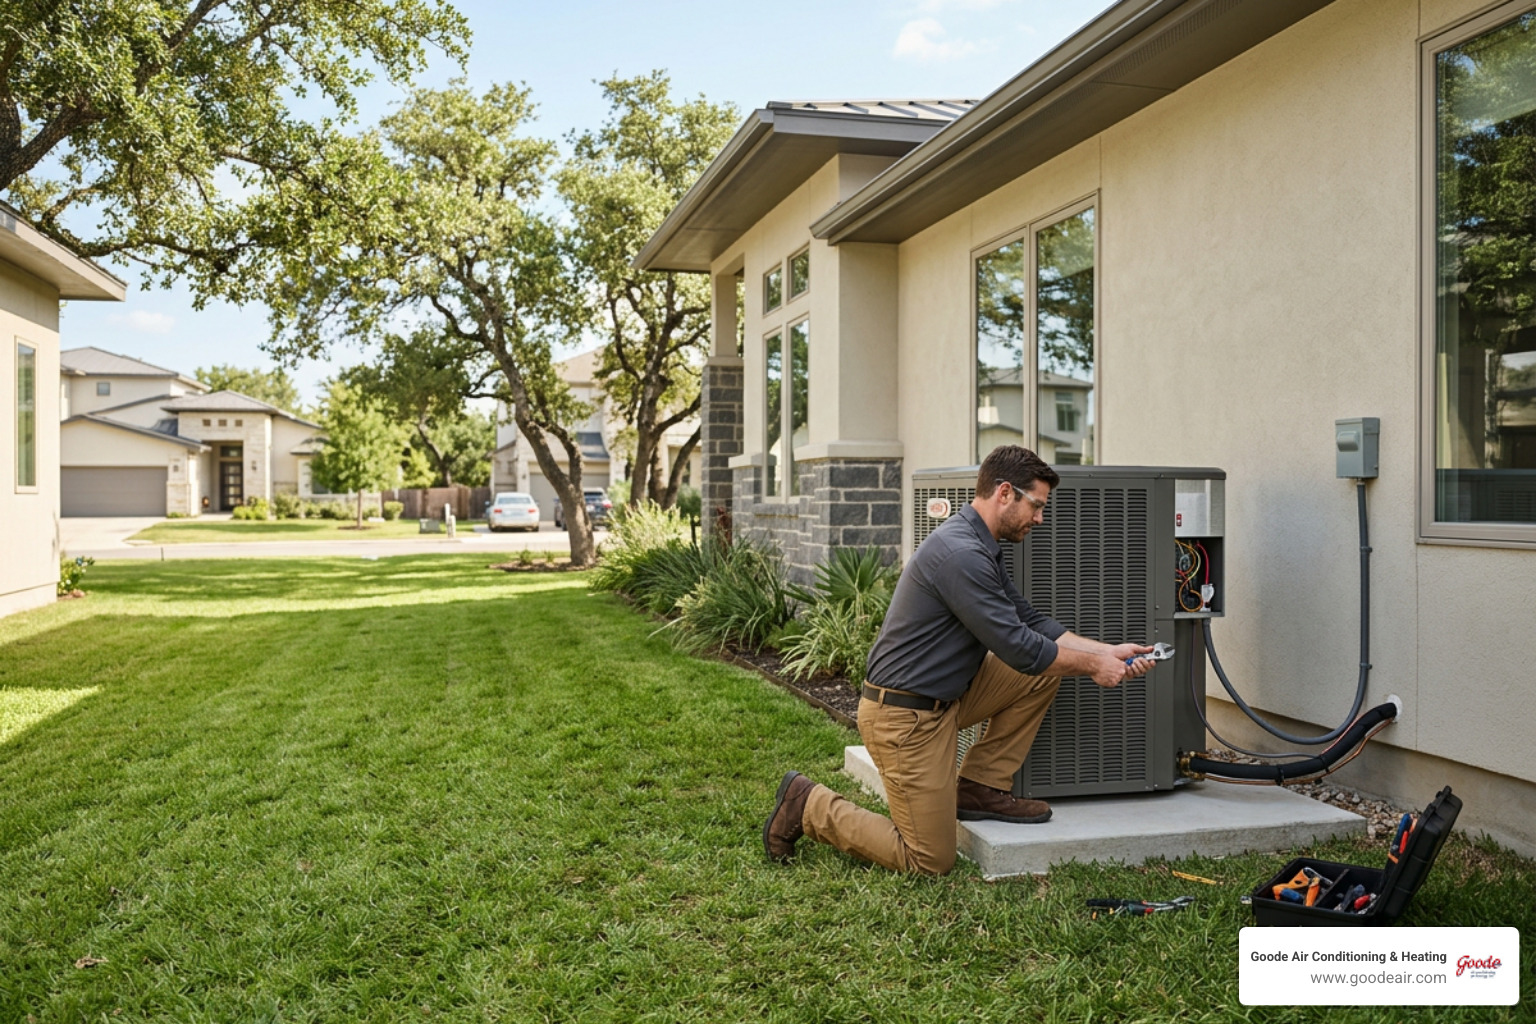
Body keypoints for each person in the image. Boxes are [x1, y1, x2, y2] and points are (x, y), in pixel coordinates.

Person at [762, 445, 1155, 875]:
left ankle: (976, 787)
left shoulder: (977, 542)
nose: (1040, 518)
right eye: (1036, 506)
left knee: (1042, 673)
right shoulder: (962, 553)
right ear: (1005, 493)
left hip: (943, 701)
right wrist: (1094, 668)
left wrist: (1105, 651)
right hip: (903, 720)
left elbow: (1028, 620)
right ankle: (808, 805)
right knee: (929, 858)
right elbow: (1020, 648)